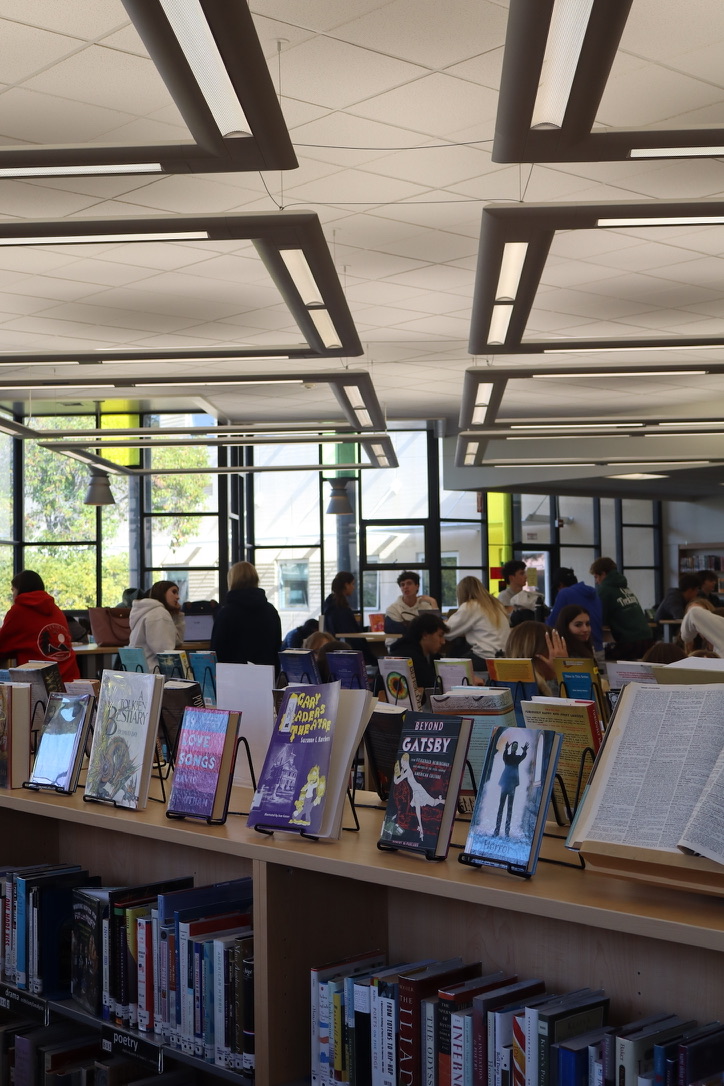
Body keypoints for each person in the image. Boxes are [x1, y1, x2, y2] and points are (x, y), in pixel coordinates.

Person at [0, 570, 80, 682]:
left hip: (42, 684)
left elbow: (2, 645)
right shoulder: (55, 609)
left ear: (20, 590)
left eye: (13, 590)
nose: (12, 595)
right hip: (70, 679)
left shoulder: (18, 611)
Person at [211, 561, 281, 668]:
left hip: (232, 678)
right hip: (265, 677)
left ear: (232, 581)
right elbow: (276, 648)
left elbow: (216, 652)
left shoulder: (226, 614)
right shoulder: (271, 611)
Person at [589, 557, 653, 660]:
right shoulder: (624, 588)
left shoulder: (604, 590)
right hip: (647, 637)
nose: (596, 581)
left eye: (596, 577)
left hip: (630, 641)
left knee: (606, 662)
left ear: (604, 574)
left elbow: (599, 619)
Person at [444, 576, 509, 669]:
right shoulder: (496, 605)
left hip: (483, 657)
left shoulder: (471, 606)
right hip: (502, 656)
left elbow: (447, 632)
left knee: (449, 667)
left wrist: (433, 604)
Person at [322, 571, 377, 665]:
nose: (353, 587)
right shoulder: (340, 608)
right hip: (347, 650)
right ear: (346, 585)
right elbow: (350, 633)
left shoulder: (330, 604)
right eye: (352, 584)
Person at [128, 580, 185, 671]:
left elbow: (176, 641)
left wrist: (177, 616)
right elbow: (166, 653)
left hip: (141, 671)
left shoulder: (147, 611)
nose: (177, 597)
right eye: (174, 592)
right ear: (162, 592)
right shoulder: (160, 614)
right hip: (155, 673)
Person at [546, 567, 604, 651]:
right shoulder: (593, 592)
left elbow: (551, 623)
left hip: (578, 649)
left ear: (561, 585)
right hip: (597, 647)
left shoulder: (564, 593)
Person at [504, 620, 568, 695]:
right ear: (540, 655)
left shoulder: (506, 683)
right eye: (554, 647)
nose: (559, 652)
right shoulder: (538, 691)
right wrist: (562, 672)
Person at [389, 612, 449, 690]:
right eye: (440, 636)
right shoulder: (409, 661)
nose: (443, 641)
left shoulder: (432, 657)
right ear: (425, 635)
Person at [494, 739, 529, 838]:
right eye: (513, 746)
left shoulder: (517, 758)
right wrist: (506, 749)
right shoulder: (508, 757)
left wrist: (525, 751)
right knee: (501, 807)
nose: (514, 748)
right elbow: (504, 757)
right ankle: (496, 830)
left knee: (509, 808)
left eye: (515, 746)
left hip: (512, 784)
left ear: (517, 748)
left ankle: (506, 832)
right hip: (505, 783)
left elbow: (522, 757)